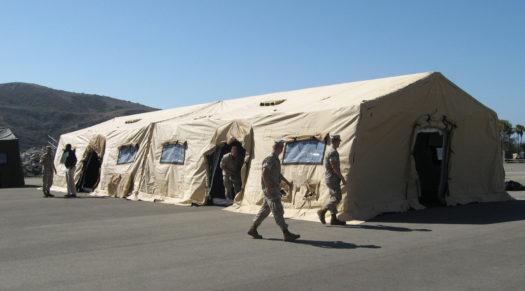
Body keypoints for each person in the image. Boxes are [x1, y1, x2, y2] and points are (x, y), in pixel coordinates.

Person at [247, 140, 300, 242]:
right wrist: (268, 187)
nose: (283, 150)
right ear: (279, 148)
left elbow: (276, 173)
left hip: (272, 188)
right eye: (282, 148)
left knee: (265, 210)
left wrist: (287, 182)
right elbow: (265, 172)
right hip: (271, 189)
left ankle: (253, 228)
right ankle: (286, 233)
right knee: (278, 210)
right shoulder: (270, 158)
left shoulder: (275, 159)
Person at [317, 134, 347, 225]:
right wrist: (342, 178)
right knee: (337, 197)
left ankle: (333, 218)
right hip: (333, 178)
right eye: (338, 141)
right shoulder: (333, 152)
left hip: (330, 178)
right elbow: (334, 166)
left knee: (333, 197)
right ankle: (323, 210)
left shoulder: (329, 150)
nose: (339, 143)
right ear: (335, 141)